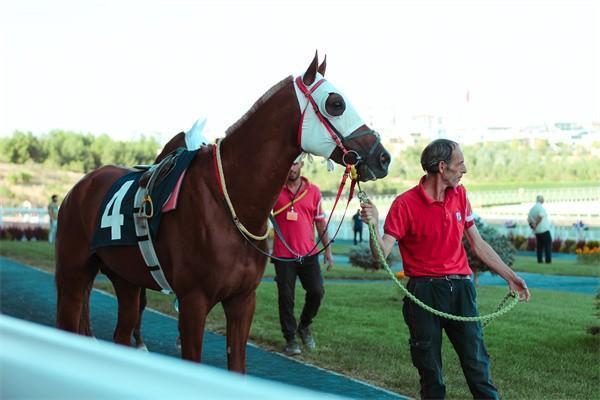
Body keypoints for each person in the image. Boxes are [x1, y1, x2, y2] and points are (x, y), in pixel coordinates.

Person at [361, 139, 530, 400]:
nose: (464, 169)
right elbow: (380, 253)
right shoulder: (404, 204)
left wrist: (511, 277)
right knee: (431, 374)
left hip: (461, 289)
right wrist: (374, 224)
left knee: (478, 366)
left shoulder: (460, 196)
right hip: (424, 293)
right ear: (442, 167)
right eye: (460, 164)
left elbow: (478, 244)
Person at [271, 160, 334, 356]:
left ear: (302, 164)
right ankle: (290, 339)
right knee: (286, 298)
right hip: (283, 256)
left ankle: (304, 326)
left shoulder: (313, 191)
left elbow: (320, 224)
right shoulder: (273, 189)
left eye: (295, 164)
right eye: (288, 163)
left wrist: (328, 251)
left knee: (317, 292)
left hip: (308, 254)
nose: (291, 168)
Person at [527, 194, 552, 264]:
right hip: (544, 229)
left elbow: (528, 219)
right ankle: (548, 260)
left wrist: (532, 226)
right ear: (541, 200)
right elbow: (540, 216)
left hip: (537, 231)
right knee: (548, 245)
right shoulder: (541, 208)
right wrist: (535, 224)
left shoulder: (532, 209)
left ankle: (539, 260)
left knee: (539, 246)